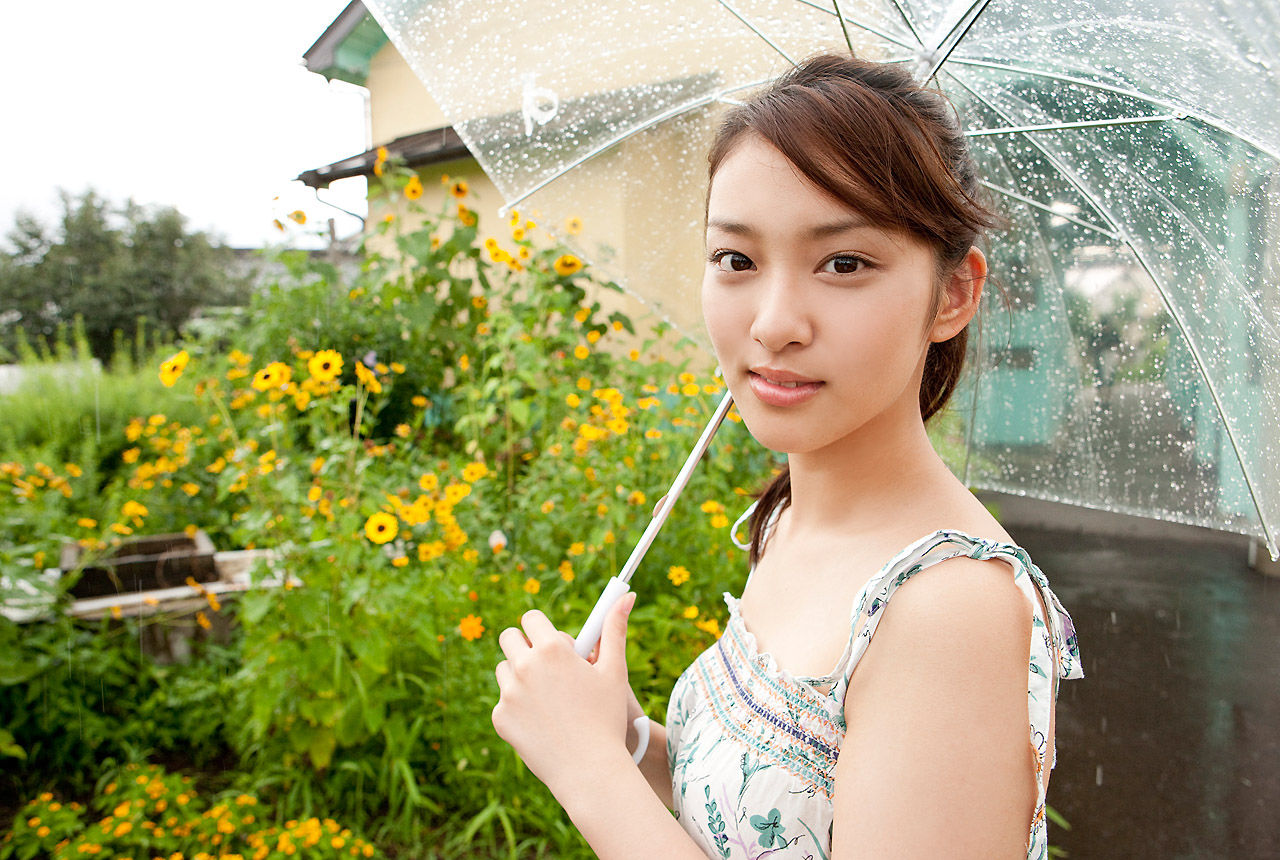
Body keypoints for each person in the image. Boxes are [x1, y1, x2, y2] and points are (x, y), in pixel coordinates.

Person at [491, 53, 1083, 860]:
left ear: (953, 295)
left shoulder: (948, 611)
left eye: (844, 263)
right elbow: (766, 815)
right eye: (736, 259)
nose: (773, 324)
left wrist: (586, 769)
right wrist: (628, 742)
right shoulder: (789, 518)